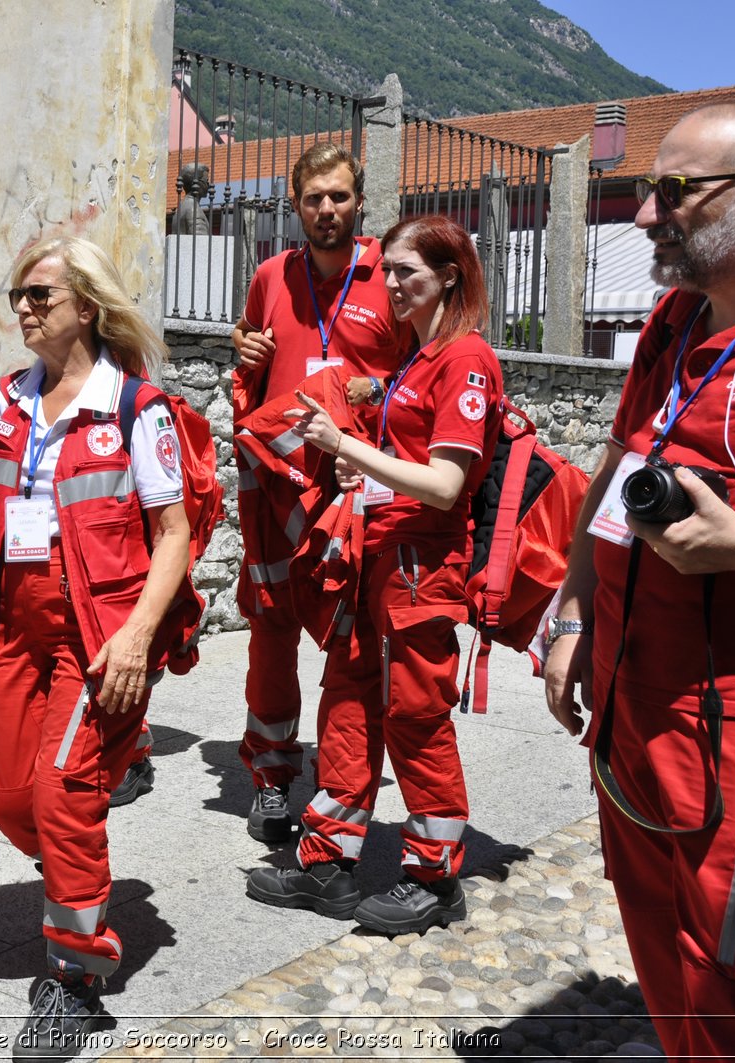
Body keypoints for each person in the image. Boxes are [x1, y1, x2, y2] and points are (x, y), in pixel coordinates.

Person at [543, 101, 735, 1062]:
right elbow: (614, 468)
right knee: (668, 961)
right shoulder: (675, 317)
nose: (645, 214)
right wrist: (572, 612)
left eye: (674, 191)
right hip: (636, 716)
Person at [0, 236, 192, 1061]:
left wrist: (136, 637)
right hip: (15, 626)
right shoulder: (11, 398)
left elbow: (175, 535)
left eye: (41, 294)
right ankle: (79, 843)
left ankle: (74, 979)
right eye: (19, 294)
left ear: (88, 304)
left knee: (58, 788)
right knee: (5, 793)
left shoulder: (135, 407)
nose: (24, 308)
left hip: (96, 631)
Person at [246, 214, 501, 936]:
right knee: (348, 705)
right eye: (385, 268)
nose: (388, 283)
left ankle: (433, 874)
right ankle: (327, 858)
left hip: (421, 571)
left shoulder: (466, 360)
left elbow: (447, 484)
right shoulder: (418, 360)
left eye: (406, 272)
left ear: (449, 275)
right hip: (375, 561)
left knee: (417, 719)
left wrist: (341, 447)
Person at [228, 143, 407, 844]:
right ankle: (271, 778)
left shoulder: (392, 276)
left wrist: (378, 388)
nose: (326, 210)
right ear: (294, 203)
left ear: (360, 200)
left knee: (349, 639)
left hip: (350, 490)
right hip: (276, 488)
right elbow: (249, 347)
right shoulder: (272, 274)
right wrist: (242, 347)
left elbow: (430, 370)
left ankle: (338, 791)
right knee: (269, 631)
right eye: (312, 199)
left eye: (338, 197)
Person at [169, 162, 212, 236]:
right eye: (206, 181)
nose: (209, 184)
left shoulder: (182, 206)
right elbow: (200, 242)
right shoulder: (194, 210)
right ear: (196, 183)